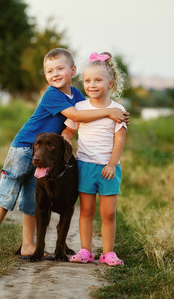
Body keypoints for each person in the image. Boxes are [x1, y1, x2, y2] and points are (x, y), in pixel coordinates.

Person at [0, 48, 130, 262]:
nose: (55, 74)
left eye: (60, 68)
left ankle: (29, 245)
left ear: (73, 70)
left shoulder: (76, 95)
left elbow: (80, 117)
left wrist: (107, 111)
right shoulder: (52, 94)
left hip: (47, 155)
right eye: (49, 71)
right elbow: (76, 115)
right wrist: (108, 112)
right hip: (25, 147)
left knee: (32, 199)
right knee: (8, 192)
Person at [62, 52, 127, 266]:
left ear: (111, 83)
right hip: (84, 167)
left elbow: (119, 141)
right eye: (88, 80)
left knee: (108, 213)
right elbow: (69, 130)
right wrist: (64, 142)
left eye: (98, 80)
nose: (92, 84)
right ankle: (85, 251)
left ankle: (108, 253)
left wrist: (111, 163)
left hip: (109, 168)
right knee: (87, 211)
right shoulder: (80, 108)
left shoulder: (119, 110)